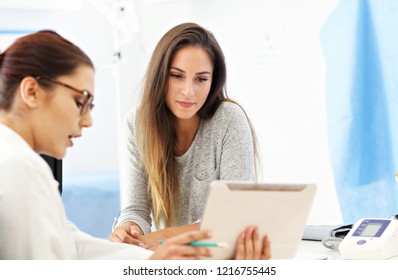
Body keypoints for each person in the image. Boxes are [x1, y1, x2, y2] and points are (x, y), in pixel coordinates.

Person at [0, 30, 270, 260]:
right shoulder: (19, 167)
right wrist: (146, 249)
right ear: (31, 92)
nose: (89, 121)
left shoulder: (19, 163)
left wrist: (151, 253)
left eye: (201, 79)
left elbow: (75, 246)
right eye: (80, 102)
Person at [110, 22, 262, 250]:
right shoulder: (137, 123)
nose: (188, 91)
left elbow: (234, 218)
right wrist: (129, 230)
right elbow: (136, 210)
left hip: (218, 258)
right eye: (177, 76)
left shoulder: (229, 119)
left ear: (214, 81)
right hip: (170, 259)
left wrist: (161, 238)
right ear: (160, 75)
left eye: (201, 79)